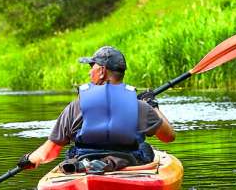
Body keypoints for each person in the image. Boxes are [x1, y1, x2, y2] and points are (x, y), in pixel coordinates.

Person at [17, 45, 176, 173]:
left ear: (101, 71)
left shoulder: (76, 107)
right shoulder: (140, 106)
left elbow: (49, 152)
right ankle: (109, 163)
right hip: (129, 163)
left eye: (91, 66)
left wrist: (30, 158)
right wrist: (152, 106)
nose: (89, 71)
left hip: (85, 161)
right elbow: (168, 137)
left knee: (72, 155)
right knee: (145, 148)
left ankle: (92, 165)